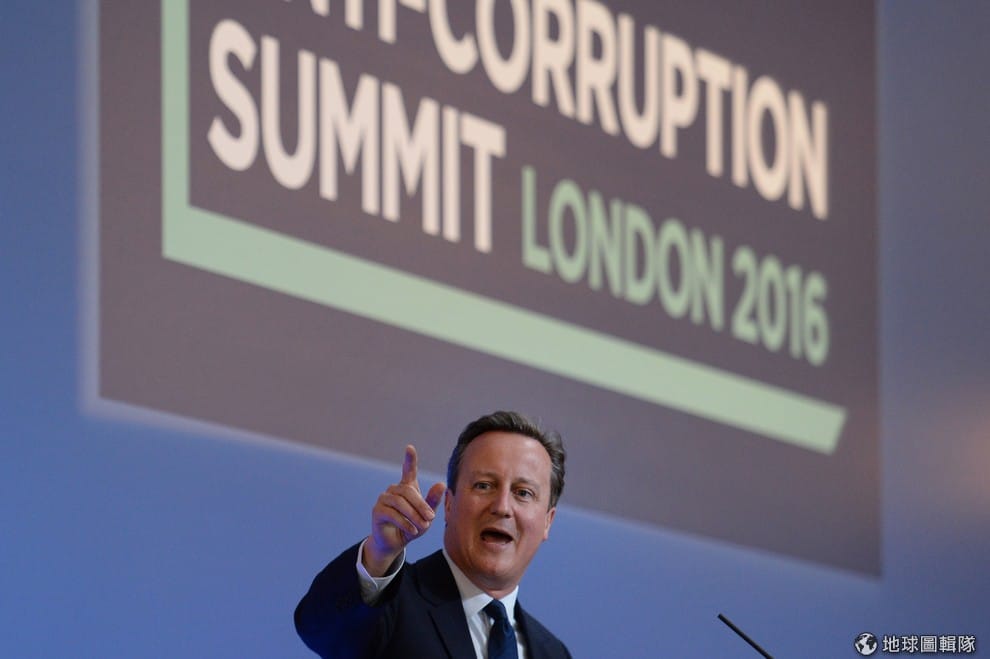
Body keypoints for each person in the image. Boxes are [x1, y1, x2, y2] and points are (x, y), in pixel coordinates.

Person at [295, 410, 572, 658]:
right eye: (484, 485)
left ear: (548, 522)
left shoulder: (553, 652)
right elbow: (321, 631)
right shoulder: (392, 606)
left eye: (523, 493)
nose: (502, 506)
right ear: (449, 505)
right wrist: (379, 554)